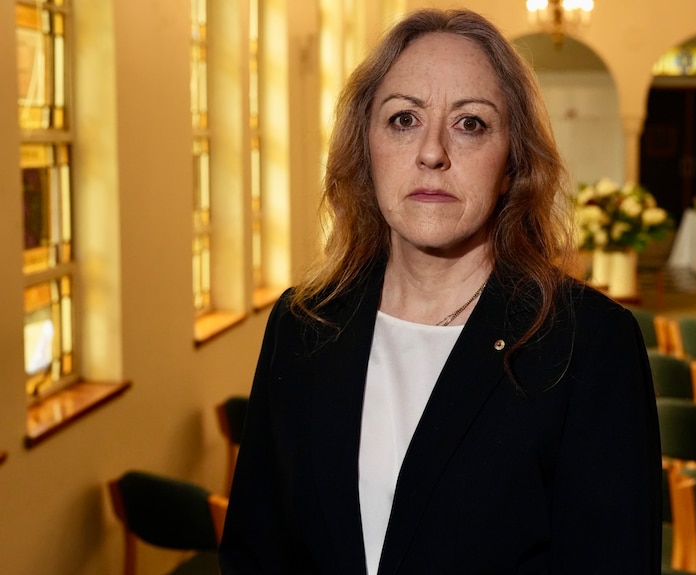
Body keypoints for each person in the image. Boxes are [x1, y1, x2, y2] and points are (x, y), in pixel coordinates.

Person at [219, 8, 661, 575]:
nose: (432, 153)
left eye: (470, 123)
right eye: (403, 119)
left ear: (512, 164)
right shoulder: (304, 323)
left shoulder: (591, 343)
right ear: (366, 149)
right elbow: (257, 551)